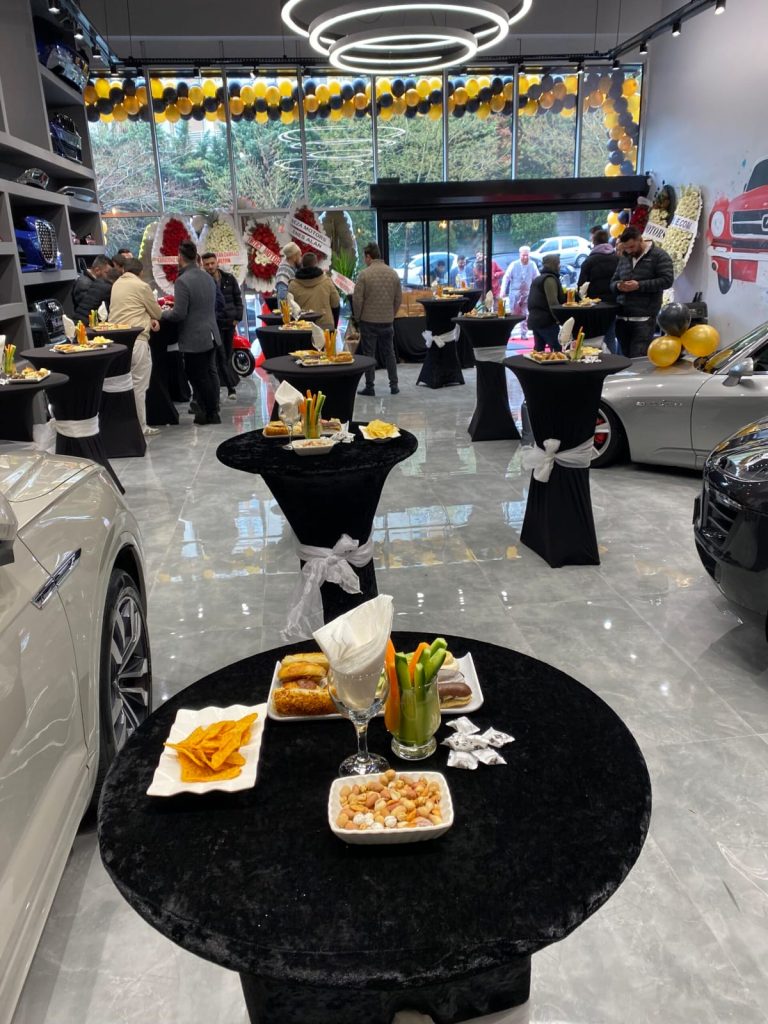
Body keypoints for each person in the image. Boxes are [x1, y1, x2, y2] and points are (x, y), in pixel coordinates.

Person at [161, 240, 221, 425]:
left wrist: (163, 314)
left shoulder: (183, 281)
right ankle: (211, 410)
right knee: (209, 374)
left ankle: (210, 413)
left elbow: (179, 313)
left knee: (198, 376)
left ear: (180, 257)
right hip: (211, 333)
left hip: (195, 337)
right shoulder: (208, 277)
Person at [108, 258, 162, 436]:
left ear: (124, 270)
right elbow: (157, 312)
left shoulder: (116, 285)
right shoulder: (141, 286)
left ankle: (124, 427)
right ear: (141, 272)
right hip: (137, 340)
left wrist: (146, 316)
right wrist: (151, 317)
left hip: (117, 343)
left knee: (122, 386)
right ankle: (141, 427)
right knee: (139, 386)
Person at [610, 225, 674, 358]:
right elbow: (613, 282)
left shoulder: (659, 256)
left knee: (638, 360)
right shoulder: (625, 257)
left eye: (632, 247)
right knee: (624, 360)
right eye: (625, 248)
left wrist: (639, 285)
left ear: (640, 240)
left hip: (644, 319)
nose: (629, 251)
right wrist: (618, 286)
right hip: (622, 318)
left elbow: (667, 280)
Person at [352, 241, 402, 397]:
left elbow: (357, 300)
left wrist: (358, 317)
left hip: (368, 321)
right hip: (387, 321)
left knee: (369, 354)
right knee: (390, 353)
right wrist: (391, 314)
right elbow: (398, 299)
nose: (364, 260)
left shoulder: (364, 275)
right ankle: (394, 385)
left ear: (369, 256)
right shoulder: (393, 273)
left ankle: (370, 386)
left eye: (364, 257)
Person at [201, 251, 243, 401]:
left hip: (230, 323)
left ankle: (228, 383)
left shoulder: (229, 278)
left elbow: (238, 298)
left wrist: (237, 317)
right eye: (207, 264)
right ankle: (230, 388)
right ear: (203, 265)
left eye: (212, 263)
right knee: (221, 354)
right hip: (214, 324)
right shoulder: (203, 282)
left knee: (227, 354)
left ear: (217, 262)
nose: (210, 266)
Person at [578, 229, 619, 353]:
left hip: (594, 306)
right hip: (613, 303)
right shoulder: (617, 258)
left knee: (594, 337)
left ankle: (595, 359)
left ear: (594, 242)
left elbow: (581, 286)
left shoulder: (589, 261)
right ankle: (612, 360)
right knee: (610, 335)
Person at [288, 252, 340, 330]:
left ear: (302, 264)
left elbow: (289, 309)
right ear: (316, 263)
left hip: (302, 328)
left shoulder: (293, 285)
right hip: (325, 327)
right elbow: (336, 303)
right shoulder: (326, 281)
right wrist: (334, 326)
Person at [527, 254, 566, 353]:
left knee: (539, 351)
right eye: (558, 263)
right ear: (554, 264)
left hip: (535, 319)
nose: (559, 266)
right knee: (558, 349)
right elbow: (553, 303)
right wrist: (560, 320)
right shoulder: (549, 279)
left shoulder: (539, 278)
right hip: (546, 321)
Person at [499, 246, 538, 335]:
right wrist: (503, 290)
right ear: (520, 255)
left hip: (527, 293)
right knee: (514, 314)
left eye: (527, 255)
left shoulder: (532, 264)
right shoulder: (514, 264)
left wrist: (537, 291)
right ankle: (509, 332)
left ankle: (523, 333)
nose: (525, 257)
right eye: (523, 255)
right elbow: (506, 277)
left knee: (525, 314)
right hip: (515, 293)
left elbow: (537, 278)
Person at [72, 254, 113, 322]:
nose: (109, 277)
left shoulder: (90, 282)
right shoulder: (84, 284)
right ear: (97, 270)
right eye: (107, 273)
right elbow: (86, 309)